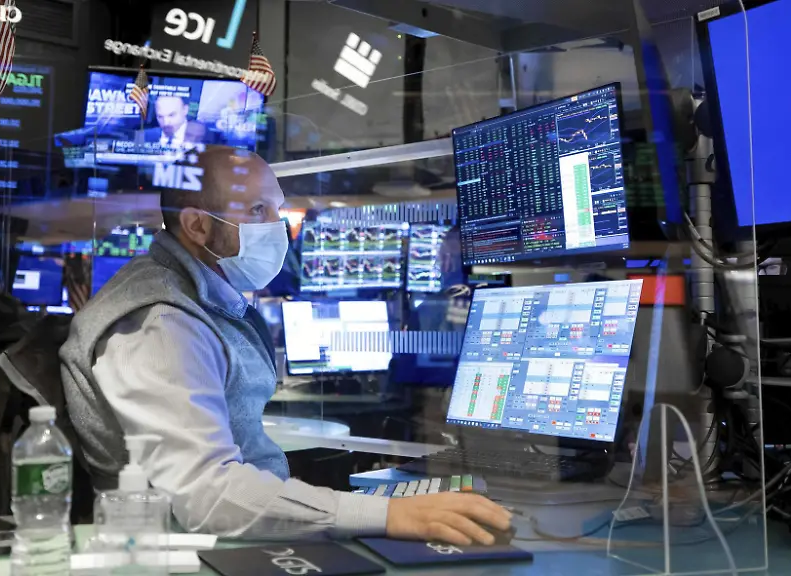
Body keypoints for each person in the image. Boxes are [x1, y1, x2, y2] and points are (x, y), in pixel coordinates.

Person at [60, 146, 511, 543]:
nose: (278, 228)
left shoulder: (196, 299)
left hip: (227, 535)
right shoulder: (161, 325)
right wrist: (389, 515)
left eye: (276, 209)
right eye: (257, 210)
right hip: (189, 550)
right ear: (197, 225)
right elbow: (207, 496)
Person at [141, 95, 208, 147]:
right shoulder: (144, 136)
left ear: (185, 110)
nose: (166, 123)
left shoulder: (205, 136)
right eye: (160, 117)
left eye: (171, 115)